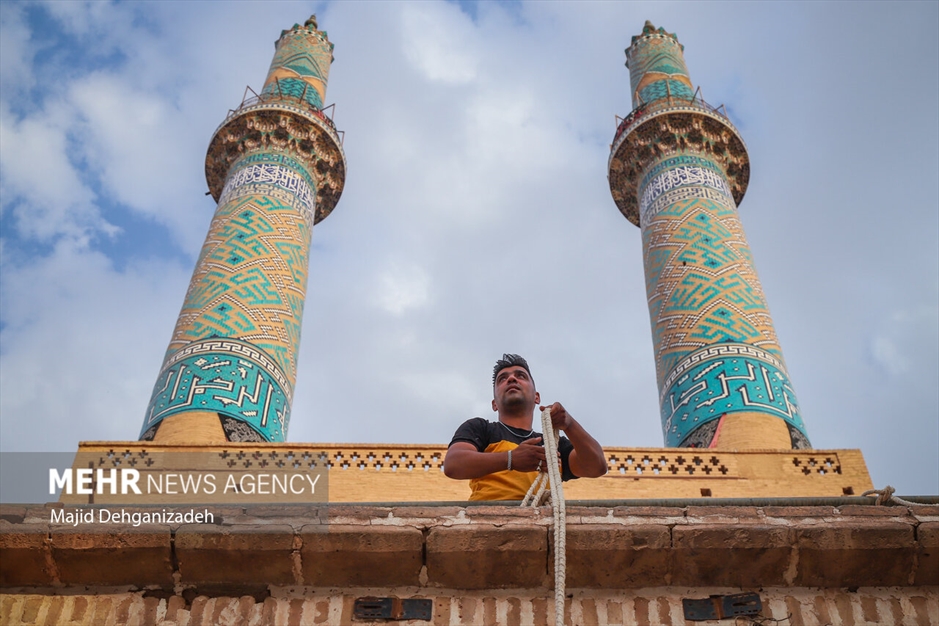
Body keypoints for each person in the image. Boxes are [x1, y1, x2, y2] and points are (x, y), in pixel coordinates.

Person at [444, 354, 607, 501]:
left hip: (543, 527)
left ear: (537, 397)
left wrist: (569, 424)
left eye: (520, 376)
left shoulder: (552, 444)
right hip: (489, 523)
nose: (512, 379)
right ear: (494, 404)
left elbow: (597, 466)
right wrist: (511, 459)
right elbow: (453, 464)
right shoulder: (481, 428)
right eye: (502, 379)